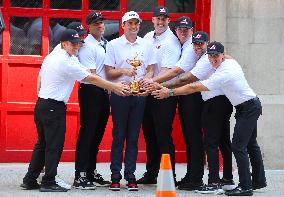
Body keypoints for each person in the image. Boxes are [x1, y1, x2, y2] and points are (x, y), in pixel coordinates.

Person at [20, 29, 130, 192]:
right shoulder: (66, 61)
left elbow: (40, 78)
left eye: (78, 44)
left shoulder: (54, 54)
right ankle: (49, 181)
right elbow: (90, 78)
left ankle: (30, 179)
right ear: (64, 44)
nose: (76, 47)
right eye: (73, 44)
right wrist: (114, 86)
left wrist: (42, 97)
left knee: (42, 144)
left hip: (43, 104)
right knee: (53, 146)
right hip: (53, 106)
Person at [152, 41, 267, 196]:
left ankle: (246, 186)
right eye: (211, 56)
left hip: (248, 108)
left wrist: (169, 92)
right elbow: (227, 57)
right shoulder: (229, 62)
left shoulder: (224, 73)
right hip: (246, 106)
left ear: (222, 56)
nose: (213, 59)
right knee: (251, 144)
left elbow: (193, 87)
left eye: (216, 56)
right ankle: (258, 181)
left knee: (238, 146)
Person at [104, 11, 155, 191]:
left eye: (136, 24)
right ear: (123, 25)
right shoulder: (113, 45)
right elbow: (109, 73)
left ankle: (131, 176)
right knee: (118, 136)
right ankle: (115, 177)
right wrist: (124, 72)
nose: (134, 27)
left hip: (139, 94)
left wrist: (146, 79)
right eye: (130, 23)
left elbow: (150, 70)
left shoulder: (146, 45)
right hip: (120, 94)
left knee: (133, 137)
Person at [137, 6, 181, 184]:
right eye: (158, 18)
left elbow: (167, 71)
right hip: (148, 92)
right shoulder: (148, 37)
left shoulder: (172, 41)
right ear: (153, 20)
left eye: (164, 19)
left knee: (163, 134)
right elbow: (144, 65)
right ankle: (151, 173)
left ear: (168, 21)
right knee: (149, 134)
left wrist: (149, 84)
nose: (160, 22)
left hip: (163, 94)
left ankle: (169, 175)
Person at [73, 12, 110, 190]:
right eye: (96, 23)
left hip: (102, 92)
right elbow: (91, 75)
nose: (100, 25)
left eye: (102, 22)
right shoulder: (87, 45)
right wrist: (113, 86)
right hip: (91, 91)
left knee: (97, 133)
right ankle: (80, 174)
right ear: (89, 26)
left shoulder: (103, 43)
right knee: (88, 132)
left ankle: (90, 171)